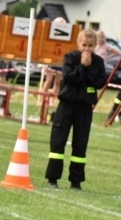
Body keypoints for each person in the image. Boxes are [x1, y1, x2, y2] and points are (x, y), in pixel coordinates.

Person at [45, 28, 107, 191]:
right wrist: (82, 66)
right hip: (67, 104)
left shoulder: (98, 62)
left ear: (95, 45)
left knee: (80, 144)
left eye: (90, 46)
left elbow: (100, 82)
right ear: (78, 43)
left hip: (85, 107)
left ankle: (76, 181)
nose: (87, 49)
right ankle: (53, 178)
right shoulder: (70, 57)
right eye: (84, 45)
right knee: (58, 141)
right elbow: (70, 77)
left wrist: (89, 68)